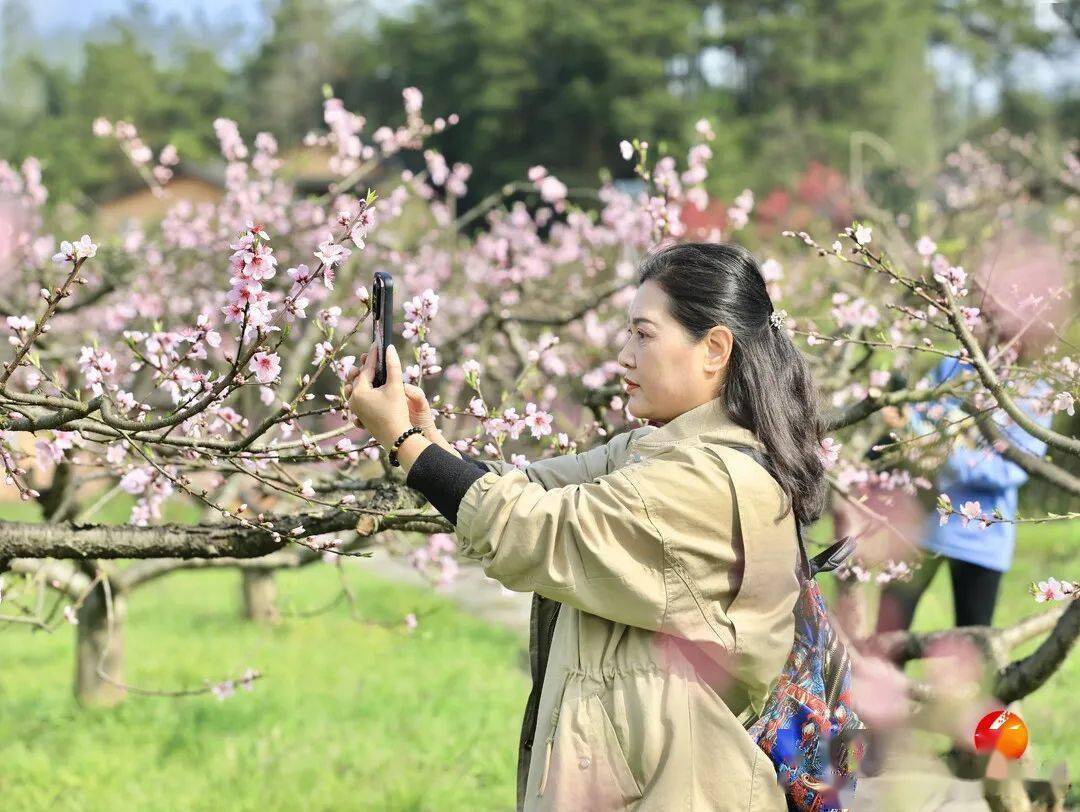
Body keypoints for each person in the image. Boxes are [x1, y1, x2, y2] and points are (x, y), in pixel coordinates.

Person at [346, 242, 829, 811]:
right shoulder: (661, 451)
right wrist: (426, 441)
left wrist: (404, 444)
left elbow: (541, 528)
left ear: (714, 349)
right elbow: (525, 491)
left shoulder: (707, 480)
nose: (623, 358)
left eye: (643, 335)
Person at [874, 355, 1053, 636]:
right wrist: (905, 424)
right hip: (920, 522)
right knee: (888, 634)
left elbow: (1015, 469)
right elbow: (920, 424)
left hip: (982, 535)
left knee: (971, 645)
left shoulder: (1036, 392)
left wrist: (950, 459)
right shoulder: (953, 366)